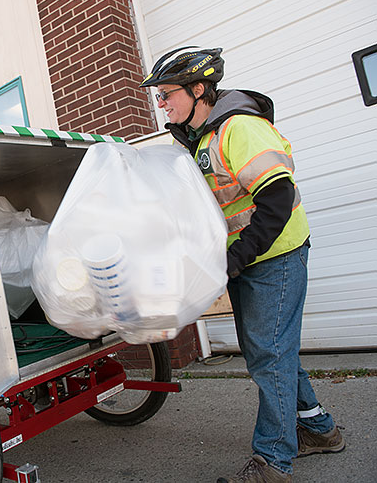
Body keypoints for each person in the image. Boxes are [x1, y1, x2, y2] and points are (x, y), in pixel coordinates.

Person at [138, 47, 345, 482]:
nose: (161, 103)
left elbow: (277, 199)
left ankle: (272, 461)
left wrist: (235, 257)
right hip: (249, 261)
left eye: (166, 93)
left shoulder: (240, 128)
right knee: (270, 351)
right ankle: (320, 429)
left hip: (277, 255)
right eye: (158, 96)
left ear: (199, 89)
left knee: (270, 355)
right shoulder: (200, 140)